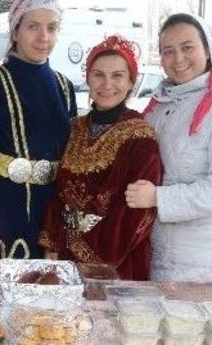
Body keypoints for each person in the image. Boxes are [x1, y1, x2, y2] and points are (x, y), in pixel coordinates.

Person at [125, 13, 212, 283]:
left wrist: (159, 198)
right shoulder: (161, 104)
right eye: (168, 51)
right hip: (160, 256)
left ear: (208, 50)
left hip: (207, 267)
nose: (178, 59)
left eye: (187, 47)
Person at [40, 35, 162, 280]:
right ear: (88, 79)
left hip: (116, 263)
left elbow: (135, 213)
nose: (107, 84)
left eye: (117, 75)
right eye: (98, 75)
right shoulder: (74, 128)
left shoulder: (140, 136)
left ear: (130, 82)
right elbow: (58, 192)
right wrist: (52, 243)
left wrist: (90, 261)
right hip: (63, 256)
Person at [0, 0, 77, 265]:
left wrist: (65, 229)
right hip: (8, 214)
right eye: (33, 27)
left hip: (52, 218)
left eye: (51, 28)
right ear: (15, 32)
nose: (44, 37)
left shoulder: (65, 86)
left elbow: (72, 165)